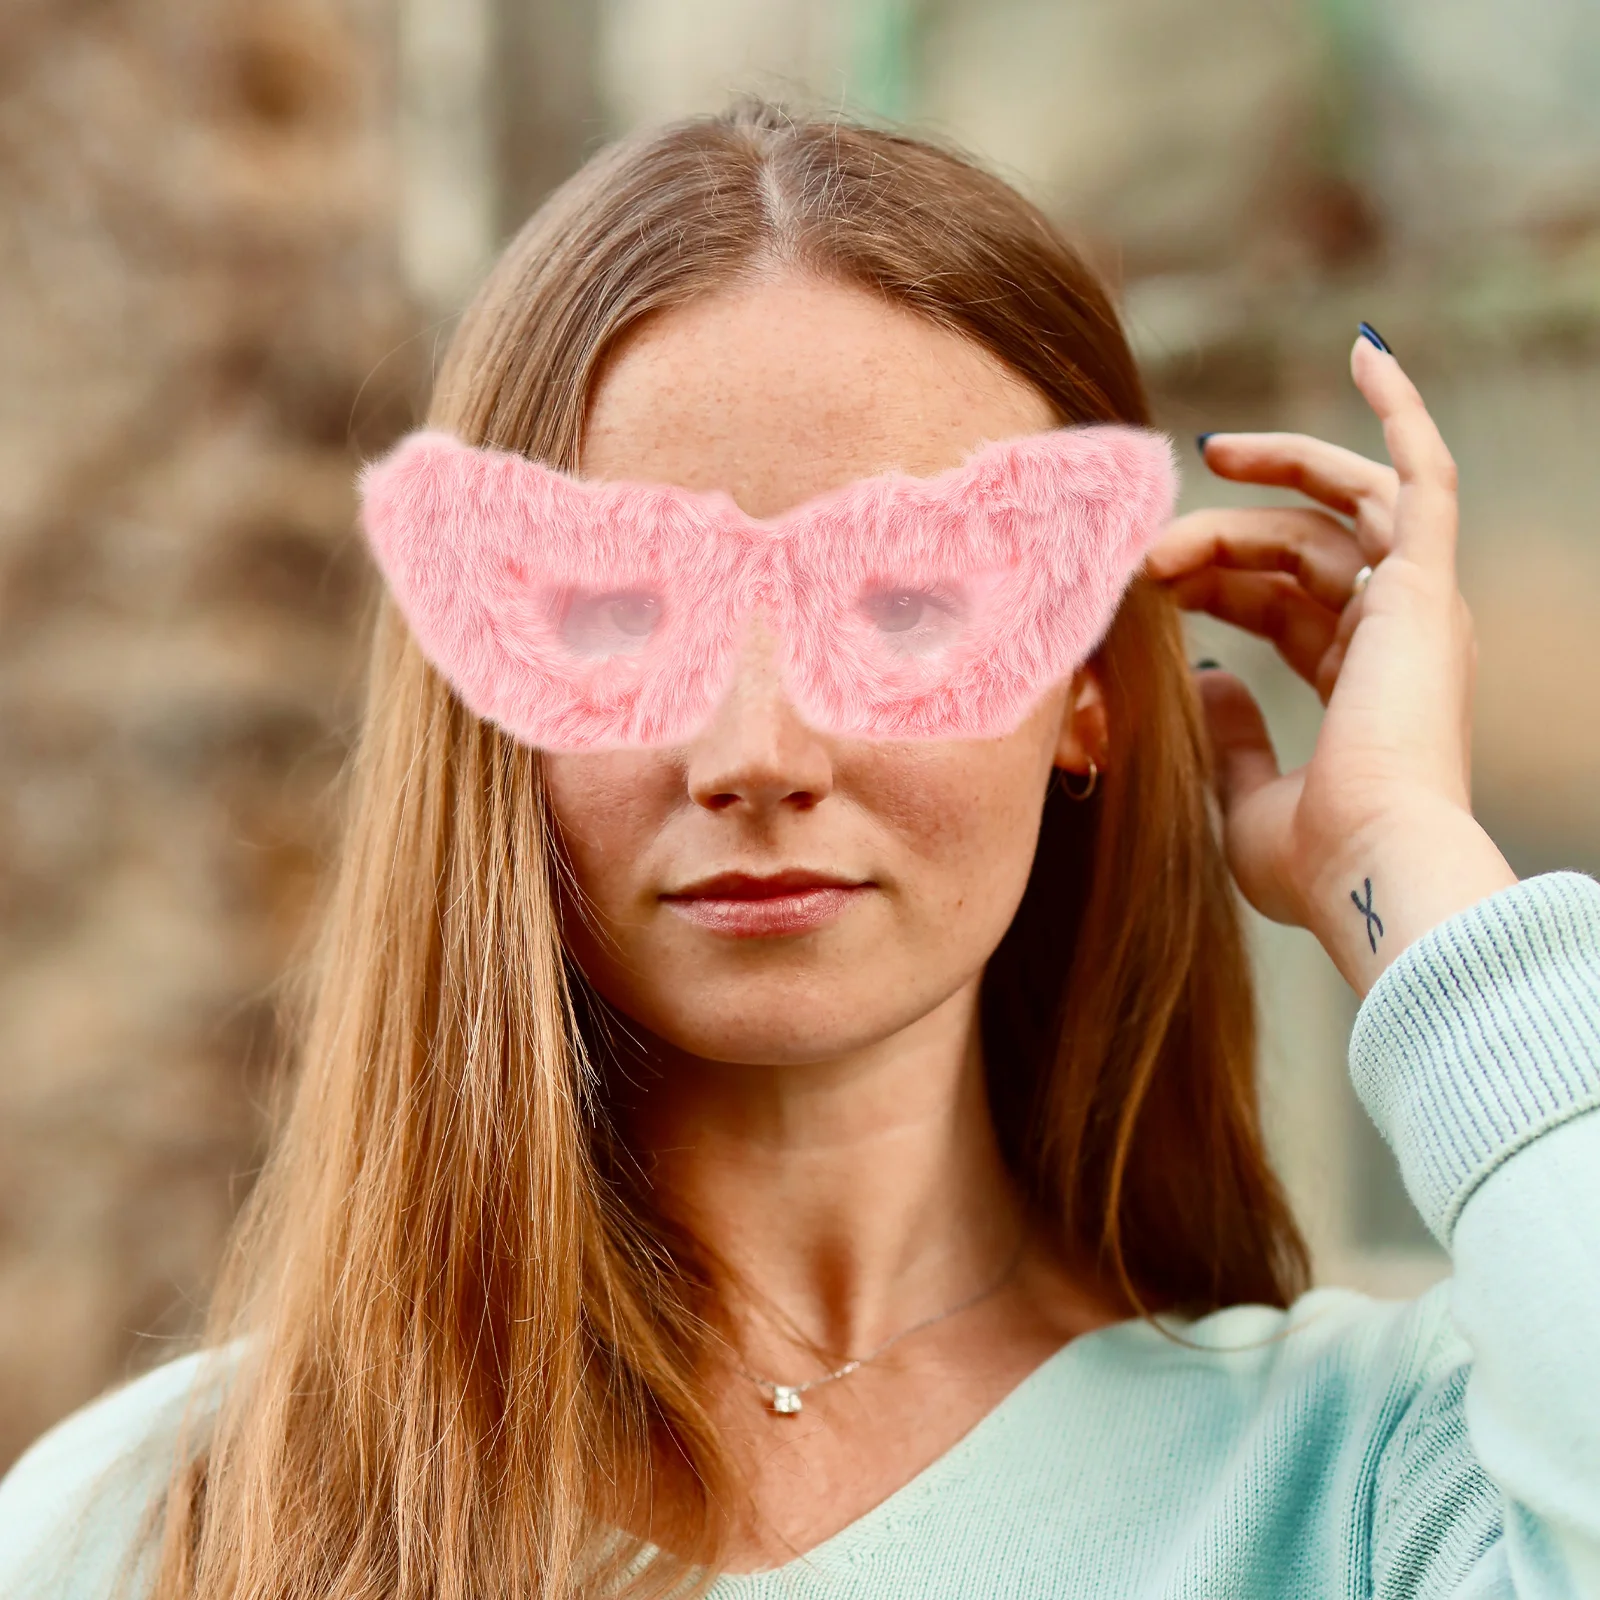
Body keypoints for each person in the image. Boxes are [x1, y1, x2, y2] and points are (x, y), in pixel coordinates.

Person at [2, 96, 1597, 1600]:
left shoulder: (1377, 1481)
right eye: (623, 614)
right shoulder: (156, 1527)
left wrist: (1409, 862)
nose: (758, 754)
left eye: (905, 607)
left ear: (1087, 694)